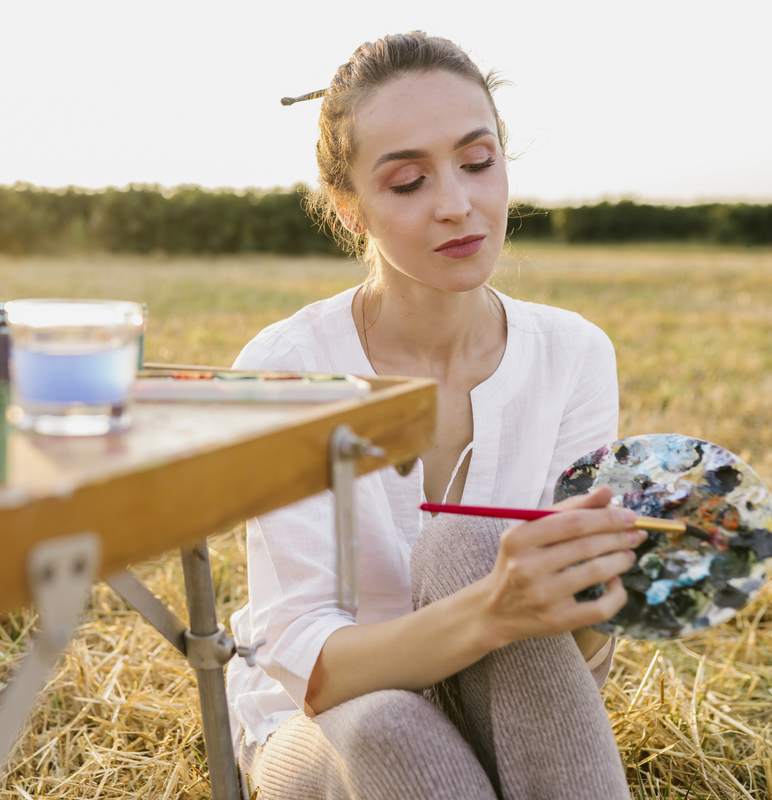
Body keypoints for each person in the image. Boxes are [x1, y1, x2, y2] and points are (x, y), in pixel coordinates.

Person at [226, 32, 638, 799]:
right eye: (409, 181)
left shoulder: (575, 353)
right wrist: (497, 608)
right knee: (394, 730)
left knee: (467, 540)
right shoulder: (287, 366)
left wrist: (605, 582)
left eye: (478, 163)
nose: (458, 204)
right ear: (350, 211)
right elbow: (310, 668)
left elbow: (573, 654)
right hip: (329, 721)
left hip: (510, 706)